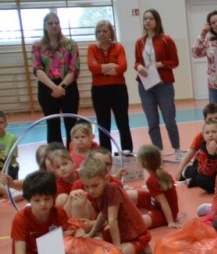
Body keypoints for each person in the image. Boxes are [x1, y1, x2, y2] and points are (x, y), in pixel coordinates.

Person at [76, 156, 153, 254]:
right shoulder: (97, 192)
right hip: (120, 232)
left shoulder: (112, 189)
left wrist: (117, 247)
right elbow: (103, 214)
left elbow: (112, 220)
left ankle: (141, 248)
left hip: (136, 235)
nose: (91, 190)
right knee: (93, 242)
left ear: (106, 179)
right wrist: (91, 233)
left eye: (94, 186)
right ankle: (130, 251)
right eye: (86, 187)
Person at [7, 171, 72, 254]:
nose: (43, 204)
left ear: (53, 197)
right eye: (37, 200)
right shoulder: (20, 218)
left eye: (47, 199)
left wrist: (76, 236)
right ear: (28, 200)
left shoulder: (59, 213)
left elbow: (68, 242)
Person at [135, 9, 182, 161]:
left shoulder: (166, 40)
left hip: (164, 85)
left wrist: (159, 64)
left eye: (151, 18)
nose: (147, 21)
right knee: (152, 122)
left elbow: (174, 62)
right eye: (145, 19)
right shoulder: (139, 42)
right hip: (145, 86)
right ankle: (157, 151)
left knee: (169, 120)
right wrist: (138, 67)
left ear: (157, 21)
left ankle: (177, 149)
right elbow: (137, 61)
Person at [32, 12, 80, 145]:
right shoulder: (37, 45)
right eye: (50, 23)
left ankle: (73, 153)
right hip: (47, 87)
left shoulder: (70, 44)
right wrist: (54, 88)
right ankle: (55, 154)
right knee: (52, 124)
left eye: (56, 23)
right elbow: (37, 69)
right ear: (44, 26)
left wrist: (61, 87)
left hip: (68, 86)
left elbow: (74, 69)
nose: (54, 25)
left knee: (71, 124)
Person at [87, 20, 134, 153]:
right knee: (103, 124)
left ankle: (127, 151)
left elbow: (123, 67)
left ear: (111, 33)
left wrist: (101, 69)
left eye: (104, 31)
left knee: (122, 121)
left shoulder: (118, 48)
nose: (101, 34)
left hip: (118, 89)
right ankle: (105, 153)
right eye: (98, 31)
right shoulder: (92, 48)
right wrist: (112, 66)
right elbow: (92, 67)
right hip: (99, 90)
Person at [136, 145, 181, 229]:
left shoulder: (152, 180)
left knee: (137, 223)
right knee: (130, 194)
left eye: (138, 160)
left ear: (144, 163)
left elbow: (164, 202)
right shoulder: (162, 173)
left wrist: (170, 221)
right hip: (161, 207)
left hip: (163, 214)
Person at [176, 102, 217, 178]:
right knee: (200, 176)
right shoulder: (200, 136)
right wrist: (179, 170)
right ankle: (186, 171)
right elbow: (191, 153)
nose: (214, 121)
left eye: (216, 118)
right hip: (201, 163)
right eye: (210, 119)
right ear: (205, 119)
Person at [180, 120, 217, 193]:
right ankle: (187, 171)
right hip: (208, 172)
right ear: (203, 135)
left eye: (214, 132)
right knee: (201, 179)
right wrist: (211, 155)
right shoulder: (202, 151)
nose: (210, 135)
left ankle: (193, 181)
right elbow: (206, 173)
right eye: (207, 132)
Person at [0, 110, 19, 181]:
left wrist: (2, 172)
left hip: (9, 165)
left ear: (6, 124)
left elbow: (11, 158)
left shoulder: (12, 138)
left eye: (1, 122)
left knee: (6, 178)